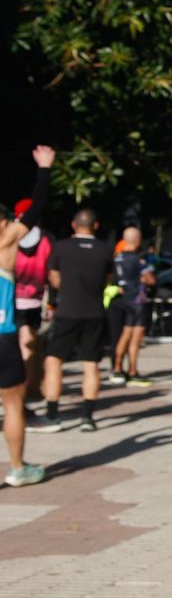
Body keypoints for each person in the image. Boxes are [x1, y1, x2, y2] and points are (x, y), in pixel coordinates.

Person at [2, 147, 55, 486]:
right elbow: (35, 210)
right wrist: (45, 170)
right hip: (3, 334)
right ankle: (18, 468)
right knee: (13, 405)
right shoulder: (6, 240)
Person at [37, 206, 112, 433]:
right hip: (95, 312)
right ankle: (87, 417)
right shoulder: (105, 250)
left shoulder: (60, 248)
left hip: (67, 311)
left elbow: (54, 279)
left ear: (73, 224)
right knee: (91, 364)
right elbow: (107, 281)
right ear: (95, 226)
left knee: (54, 361)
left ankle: (52, 415)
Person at [10, 199, 52, 400]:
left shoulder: (8, 238)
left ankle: (20, 390)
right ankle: (31, 388)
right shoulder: (46, 239)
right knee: (32, 346)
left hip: (9, 299)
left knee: (17, 345)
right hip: (35, 301)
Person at [107, 225, 156, 387]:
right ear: (137, 240)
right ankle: (133, 371)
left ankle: (117, 368)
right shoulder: (138, 259)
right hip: (137, 301)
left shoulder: (117, 258)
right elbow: (150, 279)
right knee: (135, 339)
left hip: (123, 299)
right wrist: (147, 279)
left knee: (124, 335)